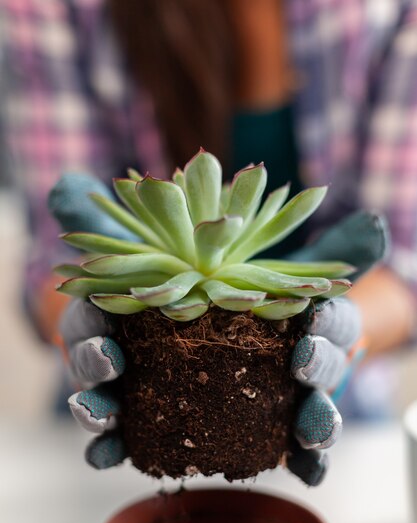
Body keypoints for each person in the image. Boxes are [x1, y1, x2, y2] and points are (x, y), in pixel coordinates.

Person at [2, 0, 416, 483]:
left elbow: (405, 258)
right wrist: (78, 325)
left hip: (344, 417)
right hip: (112, 392)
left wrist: (345, 333)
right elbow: (57, 257)